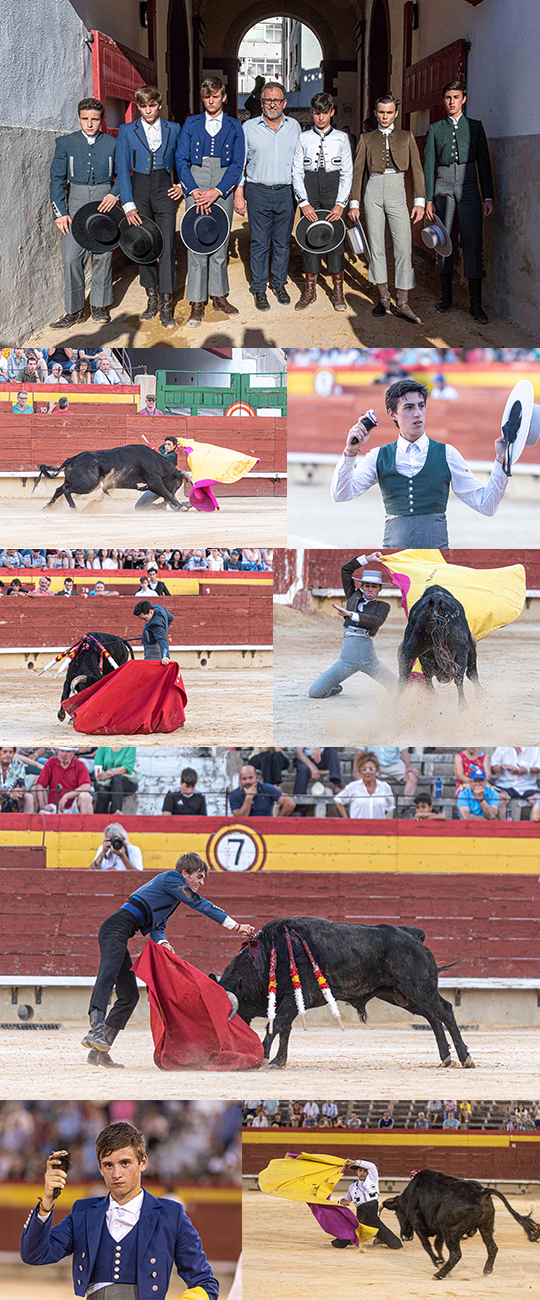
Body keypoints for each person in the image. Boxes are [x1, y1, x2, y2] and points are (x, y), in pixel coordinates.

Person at [82, 851, 255, 1065]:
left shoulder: (172, 896)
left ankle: (98, 1053)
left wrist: (163, 942)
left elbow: (157, 927)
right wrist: (235, 926)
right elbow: (199, 903)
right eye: (199, 876)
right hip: (114, 928)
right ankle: (95, 1030)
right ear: (185, 873)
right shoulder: (172, 878)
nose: (201, 882)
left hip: (120, 932)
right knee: (107, 976)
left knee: (129, 996)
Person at [20, 1122, 219, 1298]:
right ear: (100, 1168)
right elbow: (34, 1255)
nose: (116, 1174)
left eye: (125, 1163)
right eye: (108, 1165)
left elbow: (205, 1283)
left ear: (143, 1163)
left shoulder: (171, 1215)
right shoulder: (84, 1212)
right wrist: (47, 1203)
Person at [331, 378, 508, 548]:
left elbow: (487, 505)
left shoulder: (447, 454)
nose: (417, 414)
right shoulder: (377, 456)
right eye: (408, 407)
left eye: (421, 406)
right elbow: (340, 494)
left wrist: (501, 461)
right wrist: (350, 452)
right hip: (395, 559)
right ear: (392, 414)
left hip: (435, 558)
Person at [349, 93, 425, 322]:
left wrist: (419, 201)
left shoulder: (406, 136)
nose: (385, 116)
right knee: (376, 248)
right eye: (381, 112)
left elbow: (418, 170)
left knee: (403, 248)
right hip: (372, 189)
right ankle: (383, 297)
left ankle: (402, 302)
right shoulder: (366, 138)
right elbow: (358, 172)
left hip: (397, 188)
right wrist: (354, 203)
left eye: (389, 112)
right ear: (375, 113)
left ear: (396, 113)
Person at [176, 76, 245, 326]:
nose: (211, 101)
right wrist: (193, 190)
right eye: (207, 97)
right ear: (202, 98)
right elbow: (181, 160)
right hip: (196, 176)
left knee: (219, 241)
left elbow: (238, 163)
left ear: (223, 97)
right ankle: (196, 302)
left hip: (222, 180)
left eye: (215, 96)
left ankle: (218, 295)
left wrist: (218, 190)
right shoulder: (191, 124)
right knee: (195, 241)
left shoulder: (235, 125)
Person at [423, 80, 494, 323]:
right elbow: (428, 166)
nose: (451, 102)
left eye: (456, 97)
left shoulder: (475, 127)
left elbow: (483, 163)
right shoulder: (435, 129)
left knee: (474, 242)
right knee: (444, 240)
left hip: (470, 186)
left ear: (463, 99)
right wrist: (429, 199)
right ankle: (446, 297)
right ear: (443, 101)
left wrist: (487, 196)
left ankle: (476, 304)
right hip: (443, 184)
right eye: (447, 98)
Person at [49, 98, 120, 327]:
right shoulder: (66, 143)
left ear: (101, 120)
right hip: (76, 202)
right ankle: (74, 311)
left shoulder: (112, 144)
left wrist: (114, 193)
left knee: (102, 255)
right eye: (85, 119)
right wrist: (60, 212)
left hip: (104, 202)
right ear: (79, 118)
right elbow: (57, 180)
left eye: (95, 119)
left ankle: (99, 306)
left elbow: (123, 176)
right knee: (71, 257)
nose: (90, 124)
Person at [116, 85, 183, 328]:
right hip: (139, 188)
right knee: (145, 244)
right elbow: (122, 169)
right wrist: (128, 204)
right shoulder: (127, 130)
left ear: (159, 104)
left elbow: (182, 160)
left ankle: (166, 302)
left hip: (164, 188)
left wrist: (182, 185)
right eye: (143, 106)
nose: (148, 111)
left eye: (152, 105)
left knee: (166, 244)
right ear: (138, 107)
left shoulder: (173, 128)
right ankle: (151, 298)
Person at [235, 82, 301, 311]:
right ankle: (260, 288)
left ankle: (279, 283)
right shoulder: (249, 128)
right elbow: (240, 163)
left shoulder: (295, 127)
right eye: (267, 100)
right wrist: (239, 192)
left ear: (284, 103)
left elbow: (299, 164)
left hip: (286, 192)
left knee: (282, 243)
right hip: (258, 191)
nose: (272, 104)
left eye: (277, 100)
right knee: (259, 243)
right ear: (261, 102)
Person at [292, 91, 353, 312]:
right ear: (311, 113)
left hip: (333, 188)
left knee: (336, 239)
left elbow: (347, 172)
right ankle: (310, 291)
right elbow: (296, 171)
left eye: (325, 113)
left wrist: (341, 203)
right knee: (310, 239)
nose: (320, 117)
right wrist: (304, 202)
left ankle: (337, 292)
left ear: (332, 113)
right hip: (310, 189)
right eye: (317, 113)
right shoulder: (303, 137)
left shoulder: (342, 138)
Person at [308, 559, 395, 698]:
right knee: (315, 693)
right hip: (346, 659)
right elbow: (345, 570)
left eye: (374, 586)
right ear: (362, 586)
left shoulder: (383, 606)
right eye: (367, 586)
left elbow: (377, 621)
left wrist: (350, 614)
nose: (370, 589)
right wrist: (368, 558)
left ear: (380, 588)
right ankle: (334, 688)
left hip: (368, 659)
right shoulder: (353, 596)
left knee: (399, 689)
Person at [338, 1159, 402, 1250]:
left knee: (396, 1245)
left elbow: (371, 1166)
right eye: (360, 1170)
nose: (362, 1173)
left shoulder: (373, 1179)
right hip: (360, 1220)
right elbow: (346, 1199)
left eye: (365, 1170)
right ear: (356, 1172)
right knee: (338, 1244)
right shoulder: (352, 1187)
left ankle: (380, 1238)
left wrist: (354, 1162)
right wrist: (342, 1201)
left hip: (373, 1220)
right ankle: (355, 1238)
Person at [335, 751, 394, 820]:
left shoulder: (385, 787)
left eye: (371, 769)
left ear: (376, 771)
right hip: (358, 828)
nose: (368, 772)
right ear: (360, 772)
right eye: (364, 769)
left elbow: (389, 807)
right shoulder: (353, 787)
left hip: (378, 828)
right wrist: (347, 819)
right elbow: (338, 800)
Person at [34, 748, 93, 813]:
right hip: (54, 806)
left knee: (85, 796)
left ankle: (88, 823)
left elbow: (86, 787)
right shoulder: (51, 761)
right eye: (62, 751)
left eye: (68, 751)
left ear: (73, 753)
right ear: (58, 751)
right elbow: (40, 784)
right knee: (43, 814)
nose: (64, 754)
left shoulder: (80, 764)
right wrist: (42, 805)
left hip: (74, 806)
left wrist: (66, 796)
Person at [490, 745, 540, 817]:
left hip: (528, 786)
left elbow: (539, 767)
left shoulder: (535, 748)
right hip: (505, 785)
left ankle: (532, 828)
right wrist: (502, 767)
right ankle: (502, 827)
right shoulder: (502, 747)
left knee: (538, 801)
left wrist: (527, 770)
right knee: (499, 800)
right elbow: (492, 768)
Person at [229, 764, 296, 817]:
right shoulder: (234, 794)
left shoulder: (267, 788)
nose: (248, 781)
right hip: (244, 831)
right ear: (240, 780)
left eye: (250, 778)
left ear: (256, 777)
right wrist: (249, 798)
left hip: (266, 829)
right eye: (244, 779)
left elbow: (290, 804)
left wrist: (277, 823)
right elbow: (239, 819)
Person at [93, 747, 138, 814]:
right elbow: (97, 765)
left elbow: (127, 767)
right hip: (104, 780)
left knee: (117, 779)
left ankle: (116, 813)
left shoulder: (130, 746)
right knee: (103, 792)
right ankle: (99, 819)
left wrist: (110, 774)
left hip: (125, 781)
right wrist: (103, 774)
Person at [0, 746, 33, 812]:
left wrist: (19, 792)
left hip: (12, 797)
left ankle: (28, 822)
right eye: (5, 752)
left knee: (29, 797)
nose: (8, 755)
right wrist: (9, 791)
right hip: (6, 794)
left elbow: (22, 785)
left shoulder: (18, 764)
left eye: (11, 752)